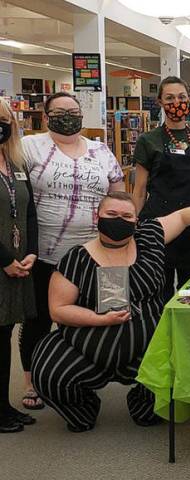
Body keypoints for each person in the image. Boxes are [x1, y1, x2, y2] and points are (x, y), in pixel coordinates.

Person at [31, 192, 190, 432]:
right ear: (97, 218)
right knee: (48, 373)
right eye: (111, 215)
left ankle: (141, 402)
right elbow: (58, 309)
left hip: (148, 349)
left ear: (137, 221)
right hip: (86, 345)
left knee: (163, 394)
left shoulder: (148, 237)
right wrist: (99, 319)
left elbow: (183, 217)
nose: (119, 220)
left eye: (127, 216)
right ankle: (84, 408)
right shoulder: (77, 258)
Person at [20, 92, 124, 410]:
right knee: (38, 318)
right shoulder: (29, 146)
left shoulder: (100, 149)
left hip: (98, 252)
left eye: (74, 111)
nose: (68, 116)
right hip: (44, 253)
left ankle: (91, 372)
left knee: (108, 311)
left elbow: (118, 195)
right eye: (60, 111)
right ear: (47, 115)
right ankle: (31, 382)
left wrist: (124, 234)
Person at [133, 76, 190, 302]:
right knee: (157, 288)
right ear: (160, 102)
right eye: (169, 98)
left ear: (189, 100)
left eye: (181, 97)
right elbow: (139, 189)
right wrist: (133, 223)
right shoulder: (148, 141)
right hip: (159, 225)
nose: (176, 103)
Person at [0, 99, 38, 432]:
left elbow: (29, 212)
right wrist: (5, 261)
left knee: (5, 334)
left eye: (4, 119)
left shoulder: (15, 163)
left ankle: (4, 407)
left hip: (19, 263)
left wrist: (32, 253)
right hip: (2, 264)